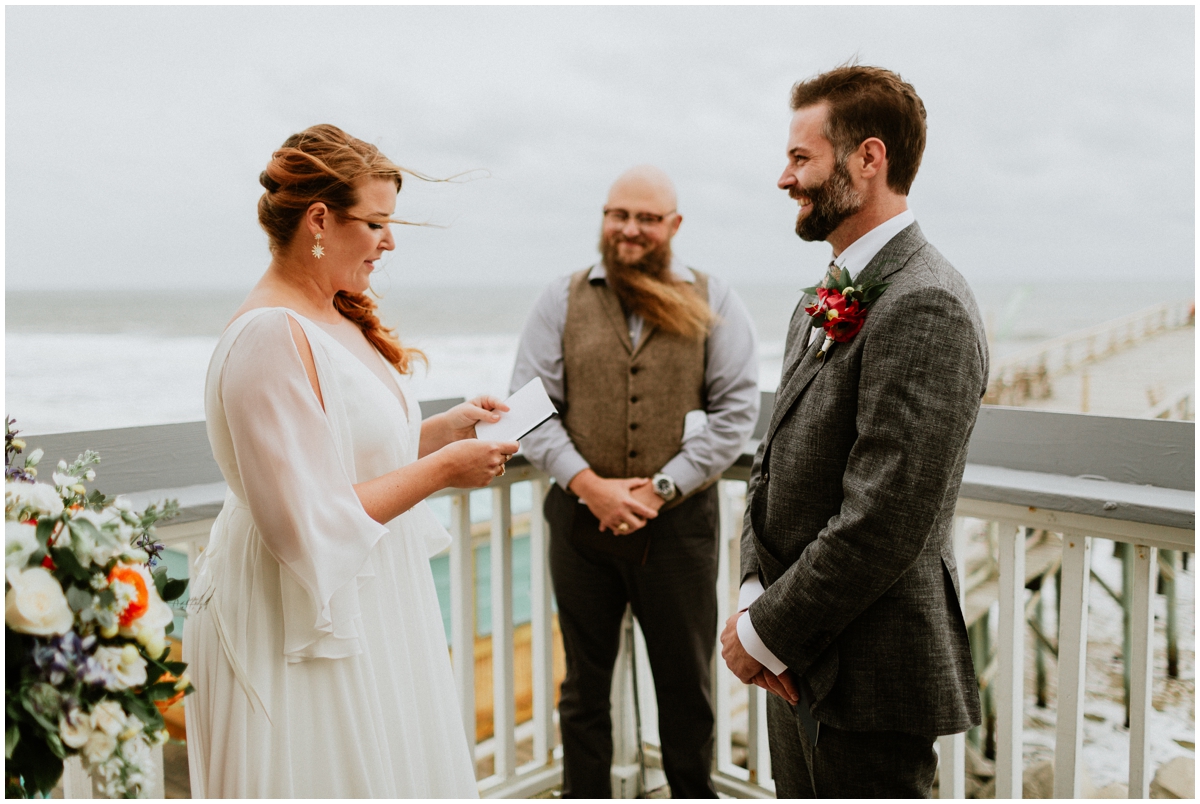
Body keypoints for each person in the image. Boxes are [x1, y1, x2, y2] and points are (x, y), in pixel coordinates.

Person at [184, 124, 518, 798]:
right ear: (318, 220)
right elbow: (307, 521)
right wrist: (446, 471)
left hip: (364, 594)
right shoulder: (269, 336)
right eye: (377, 223)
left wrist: (437, 434)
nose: (389, 242)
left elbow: (338, 454)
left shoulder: (329, 315)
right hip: (293, 616)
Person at [719, 66, 987, 797]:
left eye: (801, 158)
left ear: (868, 159)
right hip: (796, 662)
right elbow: (771, 467)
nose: (784, 177)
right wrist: (751, 593)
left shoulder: (928, 301)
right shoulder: (820, 296)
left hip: (869, 676)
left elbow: (885, 519)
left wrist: (762, 631)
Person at [511, 165, 759, 798]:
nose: (630, 229)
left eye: (647, 218)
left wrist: (661, 488)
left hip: (678, 531)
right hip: (577, 524)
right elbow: (528, 406)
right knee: (583, 691)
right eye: (618, 214)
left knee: (686, 690)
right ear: (603, 218)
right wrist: (588, 484)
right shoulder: (560, 298)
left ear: (673, 226)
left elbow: (736, 415)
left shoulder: (714, 296)